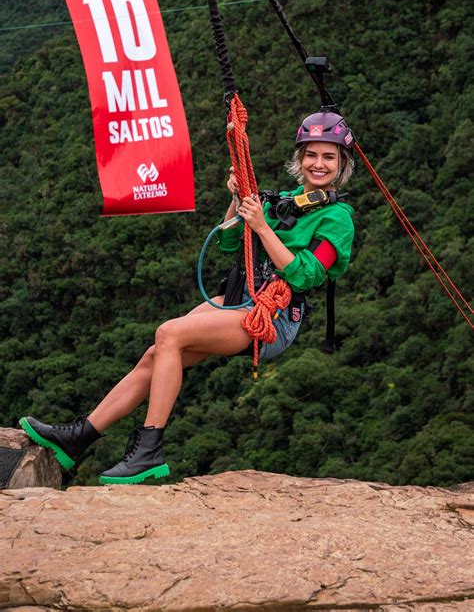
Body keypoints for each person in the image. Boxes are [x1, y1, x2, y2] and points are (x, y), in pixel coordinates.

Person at [19, 111, 355, 485]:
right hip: (239, 298)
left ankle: (148, 450)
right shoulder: (286, 200)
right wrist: (238, 202)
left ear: (342, 164)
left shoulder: (338, 218)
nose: (318, 164)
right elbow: (229, 241)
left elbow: (306, 274)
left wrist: (261, 225)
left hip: (273, 317)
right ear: (300, 158)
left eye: (329, 157)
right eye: (312, 155)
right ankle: (78, 439)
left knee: (169, 334)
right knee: (157, 353)